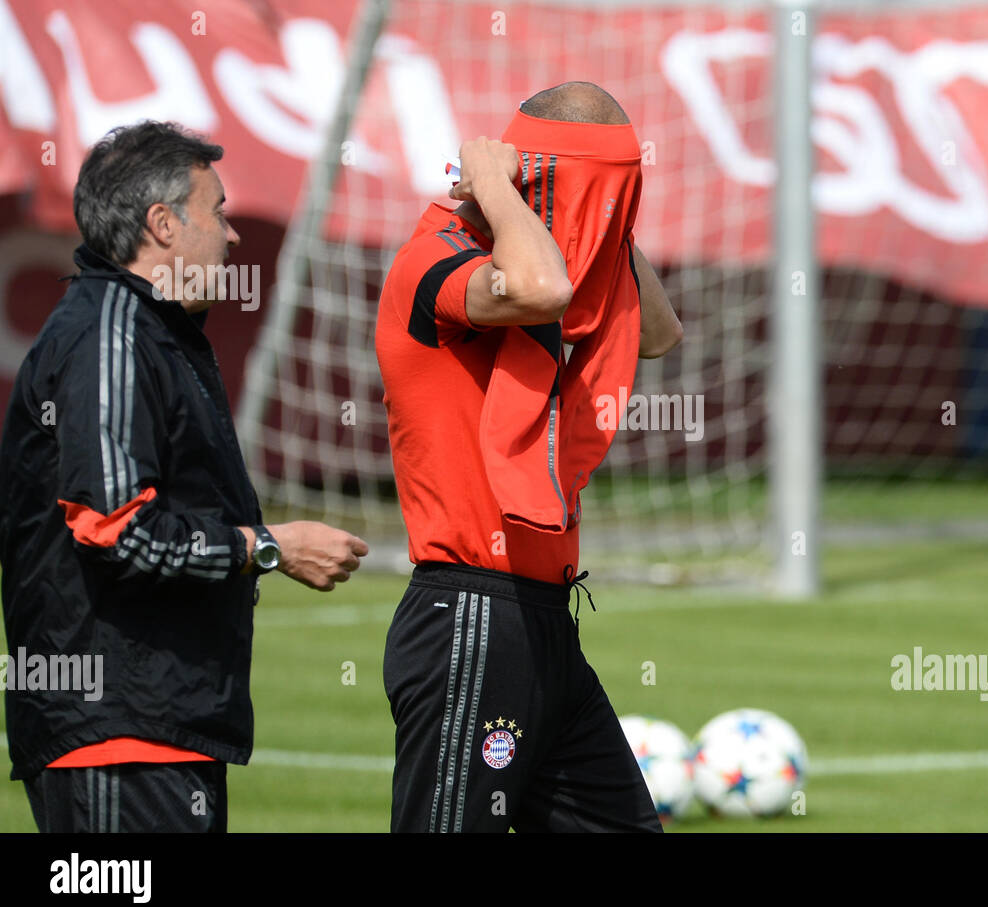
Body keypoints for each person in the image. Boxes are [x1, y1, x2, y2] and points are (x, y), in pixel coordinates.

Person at [0, 121, 370, 832]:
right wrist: (269, 547)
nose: (232, 236)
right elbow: (115, 530)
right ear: (162, 224)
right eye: (219, 211)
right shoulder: (109, 334)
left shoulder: (148, 328)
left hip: (155, 723)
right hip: (114, 731)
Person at [376, 82, 682, 832]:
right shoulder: (436, 259)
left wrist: (598, 219)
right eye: (593, 193)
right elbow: (539, 286)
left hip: (544, 619)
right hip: (470, 612)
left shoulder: (549, 257)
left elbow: (660, 331)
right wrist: (495, 189)